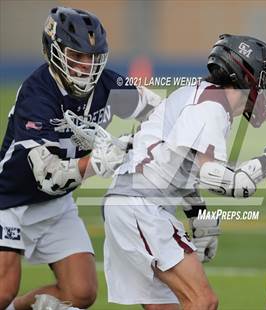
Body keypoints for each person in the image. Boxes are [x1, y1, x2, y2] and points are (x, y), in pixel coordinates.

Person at [99, 34, 266, 310]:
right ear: (245, 75)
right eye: (264, 82)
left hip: (130, 206)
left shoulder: (199, 96)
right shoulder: (211, 108)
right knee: (203, 301)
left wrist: (198, 213)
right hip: (140, 209)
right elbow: (230, 183)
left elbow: (176, 166)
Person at [0, 7, 161, 310]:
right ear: (55, 51)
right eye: (77, 56)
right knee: (3, 289)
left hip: (56, 204)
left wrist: (157, 134)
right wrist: (99, 161)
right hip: (10, 200)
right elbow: (48, 175)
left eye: (93, 57)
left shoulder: (107, 86)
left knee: (81, 292)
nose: (86, 66)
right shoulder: (37, 94)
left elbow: (157, 110)